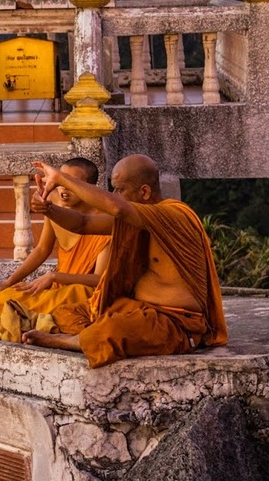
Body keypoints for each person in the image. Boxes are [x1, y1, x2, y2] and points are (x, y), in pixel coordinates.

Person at [19, 155, 227, 367]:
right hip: (137, 308)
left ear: (144, 192)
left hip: (175, 322)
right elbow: (83, 223)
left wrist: (62, 178)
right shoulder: (136, 219)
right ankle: (90, 334)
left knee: (112, 330)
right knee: (70, 313)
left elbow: (117, 208)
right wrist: (49, 209)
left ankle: (74, 341)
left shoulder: (173, 215)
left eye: (119, 189)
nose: (114, 195)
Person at [0, 157, 109, 326]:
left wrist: (54, 276)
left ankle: (31, 313)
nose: (64, 190)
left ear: (88, 188)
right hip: (57, 288)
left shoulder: (104, 221)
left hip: (80, 290)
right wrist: (7, 283)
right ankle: (31, 312)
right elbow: (43, 249)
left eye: (71, 184)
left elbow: (98, 279)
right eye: (61, 182)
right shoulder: (53, 205)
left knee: (78, 294)